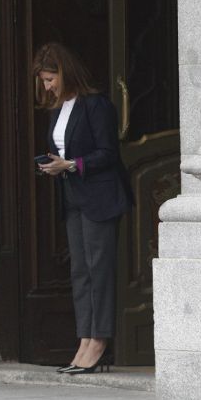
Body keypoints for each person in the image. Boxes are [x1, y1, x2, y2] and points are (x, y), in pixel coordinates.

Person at [33, 42, 133, 374]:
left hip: (100, 198)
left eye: (51, 79)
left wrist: (72, 164)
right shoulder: (57, 109)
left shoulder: (96, 105)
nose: (48, 86)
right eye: (45, 81)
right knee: (80, 271)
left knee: (98, 269)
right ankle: (84, 340)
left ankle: (100, 342)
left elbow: (107, 153)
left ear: (66, 72)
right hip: (73, 197)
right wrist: (54, 166)